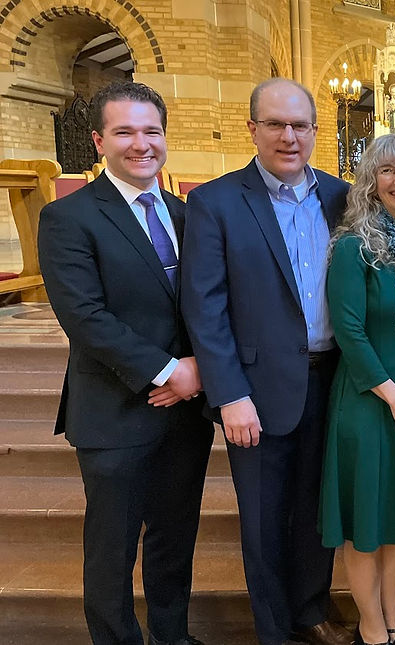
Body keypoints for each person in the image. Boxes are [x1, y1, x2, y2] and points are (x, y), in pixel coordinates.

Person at [37, 81, 212, 645]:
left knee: (174, 536)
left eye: (151, 131)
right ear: (99, 141)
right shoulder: (69, 217)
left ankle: (172, 635)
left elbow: (213, 304)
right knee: (112, 547)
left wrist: (199, 370)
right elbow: (86, 318)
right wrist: (170, 370)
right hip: (113, 409)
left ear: (165, 138)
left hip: (185, 411)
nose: (141, 144)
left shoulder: (191, 215)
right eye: (125, 132)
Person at [181, 78, 351, 645]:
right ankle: (273, 630)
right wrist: (228, 394)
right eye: (275, 124)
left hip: (332, 379)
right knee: (262, 518)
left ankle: (310, 609)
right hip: (254, 388)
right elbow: (205, 307)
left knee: (315, 509)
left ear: (315, 132)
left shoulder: (340, 195)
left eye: (299, 125)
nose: (288, 136)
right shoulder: (217, 201)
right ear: (251, 128)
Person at [319, 134, 395, 645]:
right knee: (365, 522)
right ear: (370, 183)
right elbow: (349, 331)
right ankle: (371, 628)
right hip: (372, 402)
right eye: (387, 170)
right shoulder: (353, 249)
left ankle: (393, 619)